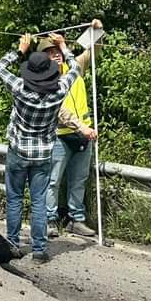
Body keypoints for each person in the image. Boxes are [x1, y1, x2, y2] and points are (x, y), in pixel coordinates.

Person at [0, 33, 79, 262]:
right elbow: (76, 68)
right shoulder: (59, 90)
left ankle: (12, 243)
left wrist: (21, 49)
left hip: (18, 151)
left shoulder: (20, 87)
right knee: (39, 201)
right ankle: (39, 249)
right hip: (43, 154)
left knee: (14, 199)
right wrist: (63, 46)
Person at [42, 19, 103, 238]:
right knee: (53, 180)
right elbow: (59, 110)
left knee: (79, 180)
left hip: (83, 135)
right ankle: (49, 220)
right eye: (50, 52)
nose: (55, 54)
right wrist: (81, 128)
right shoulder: (45, 79)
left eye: (57, 49)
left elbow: (94, 50)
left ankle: (76, 220)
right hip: (60, 135)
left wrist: (97, 29)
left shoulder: (75, 68)